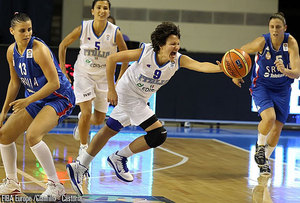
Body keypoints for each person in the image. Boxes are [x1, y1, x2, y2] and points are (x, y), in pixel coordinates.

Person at [66, 21, 223, 196]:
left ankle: (80, 166)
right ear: (161, 45)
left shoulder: (178, 60)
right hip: (127, 93)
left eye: (178, 43)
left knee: (109, 130)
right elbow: (112, 59)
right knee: (158, 134)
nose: (176, 47)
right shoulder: (146, 52)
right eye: (172, 44)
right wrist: (111, 88)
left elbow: (201, 66)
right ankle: (119, 157)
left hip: (140, 98)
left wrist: (224, 68)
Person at [0, 12, 75, 199]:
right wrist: (3, 111)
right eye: (22, 30)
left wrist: (27, 100)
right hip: (36, 98)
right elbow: (14, 82)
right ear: (12, 31)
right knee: (4, 135)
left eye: (29, 29)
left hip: (59, 97)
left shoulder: (39, 49)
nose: (27, 33)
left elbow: (54, 84)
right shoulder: (11, 51)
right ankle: (12, 183)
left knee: (33, 135)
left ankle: (55, 185)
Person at [232, 12, 300, 175]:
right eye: (272, 27)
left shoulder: (291, 43)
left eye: (278, 27)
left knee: (277, 129)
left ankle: (264, 162)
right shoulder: (262, 42)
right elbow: (239, 53)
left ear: (285, 28)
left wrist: (285, 70)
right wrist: (236, 73)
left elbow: (297, 73)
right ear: (268, 28)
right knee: (269, 118)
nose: (275, 30)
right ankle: (260, 147)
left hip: (283, 89)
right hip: (262, 85)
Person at [59, 0, 128, 157]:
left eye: (105, 8)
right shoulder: (83, 28)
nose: (102, 10)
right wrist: (63, 69)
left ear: (109, 12)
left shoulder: (115, 32)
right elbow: (63, 45)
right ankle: (83, 148)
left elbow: (125, 56)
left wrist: (120, 79)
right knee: (86, 112)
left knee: (97, 119)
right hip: (83, 73)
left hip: (104, 77)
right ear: (92, 11)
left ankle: (81, 124)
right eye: (99, 7)